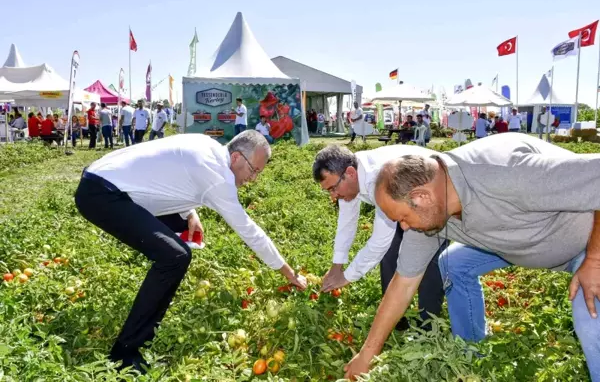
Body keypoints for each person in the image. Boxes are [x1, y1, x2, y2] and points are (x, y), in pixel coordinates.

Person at [344, 133, 600, 381]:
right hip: (529, 242)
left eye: (402, 218)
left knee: (591, 328)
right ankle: (472, 356)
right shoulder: (432, 214)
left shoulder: (504, 172)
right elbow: (404, 283)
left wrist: (594, 260)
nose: (404, 228)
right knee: (452, 264)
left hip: (589, 241)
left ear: (421, 197)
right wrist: (367, 354)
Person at [74, 130, 307, 374]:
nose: (254, 178)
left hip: (101, 179)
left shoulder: (207, 145)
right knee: (174, 256)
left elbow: (172, 176)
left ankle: (143, 333)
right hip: (103, 195)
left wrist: (190, 214)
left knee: (175, 248)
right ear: (236, 158)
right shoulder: (218, 177)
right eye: (254, 170)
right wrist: (289, 273)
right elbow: (250, 232)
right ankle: (124, 352)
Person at [313, 145, 447, 331]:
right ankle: (396, 318)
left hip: (435, 199)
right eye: (328, 191)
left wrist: (347, 277)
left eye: (333, 188)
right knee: (390, 256)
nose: (333, 195)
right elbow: (346, 223)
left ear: (350, 173)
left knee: (428, 262)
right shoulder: (351, 174)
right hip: (406, 202)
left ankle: (427, 328)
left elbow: (378, 243)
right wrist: (337, 266)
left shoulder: (379, 178)